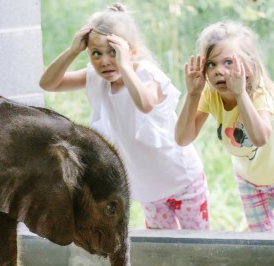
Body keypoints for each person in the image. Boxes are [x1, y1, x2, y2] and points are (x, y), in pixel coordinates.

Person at [39, 3, 209, 230]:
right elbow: (48, 83)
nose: (105, 61)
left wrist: (125, 66)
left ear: (132, 53)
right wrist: (73, 51)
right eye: (96, 54)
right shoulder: (97, 78)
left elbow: (145, 103)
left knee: (199, 248)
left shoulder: (146, 73)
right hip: (148, 191)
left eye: (114, 53)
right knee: (164, 253)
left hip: (183, 181)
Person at [175, 21, 274, 232]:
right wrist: (192, 94)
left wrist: (240, 94)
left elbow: (260, 138)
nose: (219, 71)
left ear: (248, 66)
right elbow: (182, 138)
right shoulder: (210, 95)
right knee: (260, 245)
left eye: (228, 62)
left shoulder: (259, 94)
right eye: (212, 64)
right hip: (250, 181)